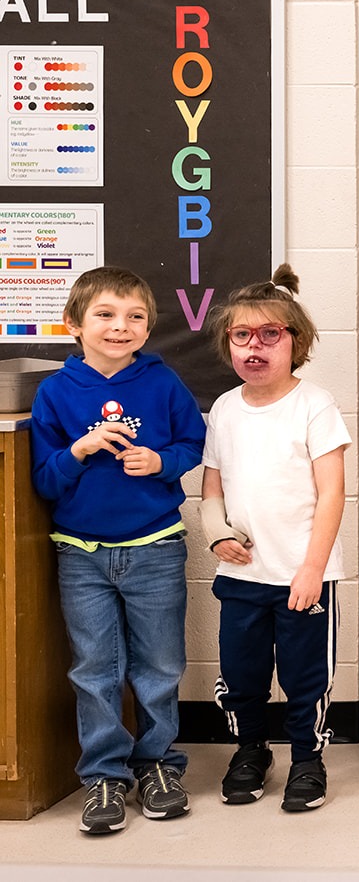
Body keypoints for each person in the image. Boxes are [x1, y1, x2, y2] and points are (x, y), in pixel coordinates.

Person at [30, 267, 205, 835]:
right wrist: (78, 450)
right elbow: (45, 481)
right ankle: (103, 774)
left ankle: (157, 764)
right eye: (105, 314)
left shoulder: (162, 383)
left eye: (134, 317)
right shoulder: (55, 392)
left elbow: (191, 444)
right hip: (81, 555)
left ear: (148, 328)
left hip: (154, 547)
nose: (120, 326)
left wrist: (162, 462)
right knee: (94, 668)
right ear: (74, 325)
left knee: (159, 665)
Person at [201, 265, 351, 813]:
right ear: (229, 344)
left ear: (296, 342)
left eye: (271, 334)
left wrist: (311, 568)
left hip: (302, 575)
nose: (255, 347)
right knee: (241, 675)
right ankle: (250, 751)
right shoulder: (223, 409)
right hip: (241, 577)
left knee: (305, 677)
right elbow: (210, 488)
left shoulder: (314, 405)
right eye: (243, 335)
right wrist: (217, 537)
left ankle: (308, 759)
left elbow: (332, 494)